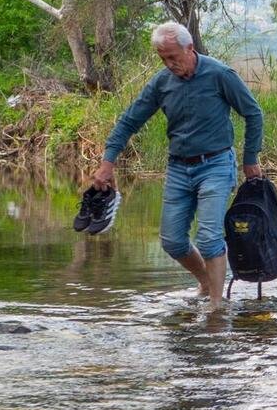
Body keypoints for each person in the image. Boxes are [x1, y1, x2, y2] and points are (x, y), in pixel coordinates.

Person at [93, 22, 263, 311]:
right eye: (163, 59)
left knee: (209, 239)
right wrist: (107, 164)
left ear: (189, 48)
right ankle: (206, 282)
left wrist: (250, 159)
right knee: (172, 241)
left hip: (216, 165)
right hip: (178, 169)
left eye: (174, 57)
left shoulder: (220, 75)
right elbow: (128, 122)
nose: (169, 64)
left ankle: (216, 306)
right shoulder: (161, 83)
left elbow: (253, 112)